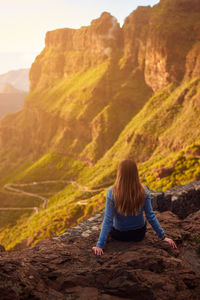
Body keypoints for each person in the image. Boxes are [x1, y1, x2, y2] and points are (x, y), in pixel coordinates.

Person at [92, 159, 177, 256]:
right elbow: (150, 215)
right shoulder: (143, 190)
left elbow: (108, 220)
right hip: (139, 234)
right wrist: (163, 237)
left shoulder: (112, 192)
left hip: (119, 234)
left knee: (107, 223)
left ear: (119, 173)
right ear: (135, 173)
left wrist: (100, 245)